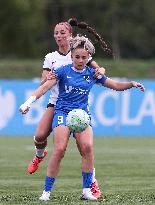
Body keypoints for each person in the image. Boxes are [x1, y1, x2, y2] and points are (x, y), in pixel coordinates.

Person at [19, 35, 145, 201]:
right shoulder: (62, 71)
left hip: (81, 115)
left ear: (88, 58)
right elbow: (44, 88)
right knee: (60, 149)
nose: (80, 60)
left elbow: (114, 85)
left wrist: (131, 84)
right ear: (71, 55)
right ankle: (46, 192)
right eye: (77, 57)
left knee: (87, 147)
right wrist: (28, 103)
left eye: (84, 57)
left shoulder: (92, 74)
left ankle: (87, 190)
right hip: (63, 113)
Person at [26, 18, 110, 198]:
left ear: (70, 35)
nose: (58, 36)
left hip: (76, 108)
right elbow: (43, 82)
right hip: (57, 103)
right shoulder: (51, 57)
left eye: (62, 33)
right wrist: (48, 77)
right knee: (40, 135)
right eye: (56, 33)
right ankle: (39, 155)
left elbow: (98, 69)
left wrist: (101, 69)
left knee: (85, 148)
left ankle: (92, 184)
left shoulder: (79, 52)